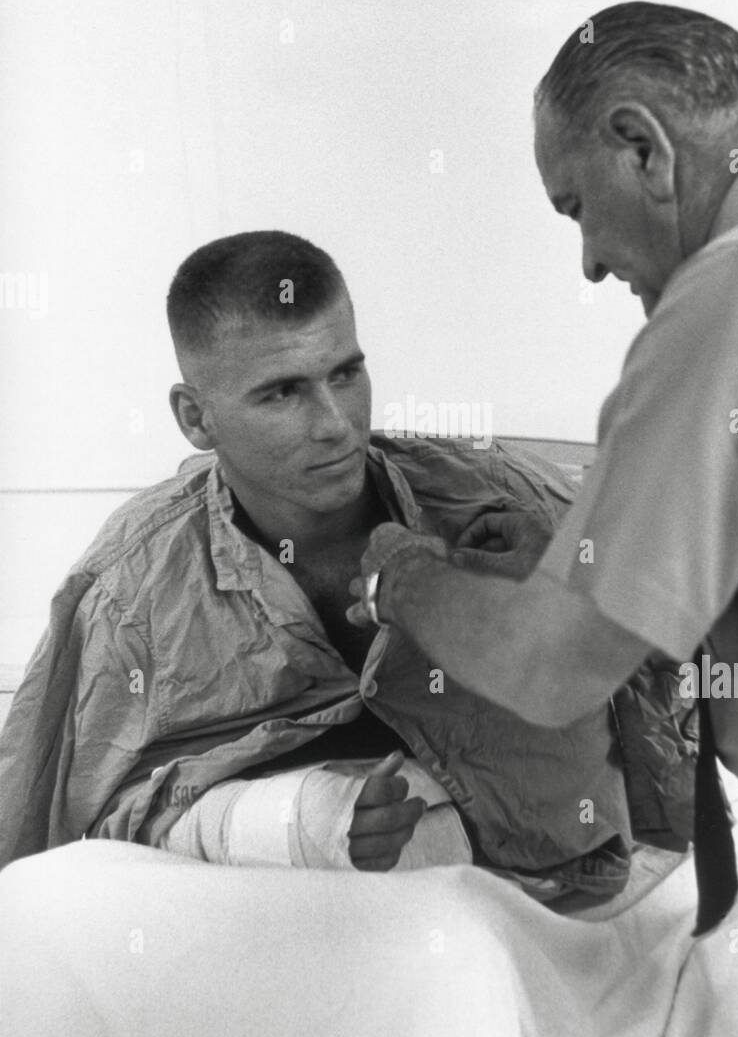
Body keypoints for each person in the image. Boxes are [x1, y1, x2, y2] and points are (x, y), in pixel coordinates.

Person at [347, 2, 738, 1037]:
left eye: (577, 205)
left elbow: (553, 670)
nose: (589, 260)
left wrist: (401, 577)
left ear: (645, 144)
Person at [0, 231, 694, 899]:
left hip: (538, 905)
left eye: (346, 373)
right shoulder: (132, 591)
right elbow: (67, 838)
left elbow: (671, 721)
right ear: (196, 418)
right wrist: (295, 819)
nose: (334, 422)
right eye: (283, 392)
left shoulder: (504, 503)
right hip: (262, 943)